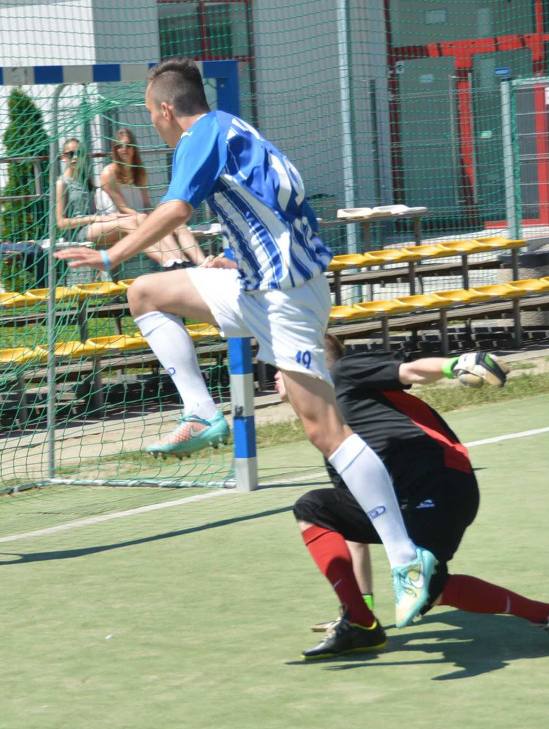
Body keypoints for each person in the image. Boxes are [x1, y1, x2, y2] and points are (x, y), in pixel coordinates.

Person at [56, 56, 434, 628]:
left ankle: (408, 559)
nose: (155, 130)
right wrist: (239, 253)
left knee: (324, 431)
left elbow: (178, 209)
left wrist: (109, 254)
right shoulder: (236, 128)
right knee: (147, 294)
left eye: (151, 117)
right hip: (259, 283)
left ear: (164, 109)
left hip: (285, 295)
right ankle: (202, 412)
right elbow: (275, 203)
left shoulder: (199, 135)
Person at [285, 336, 549, 660]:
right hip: (402, 503)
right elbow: (359, 527)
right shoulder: (332, 435)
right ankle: (360, 625)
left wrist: (454, 365)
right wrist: (362, 606)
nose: (275, 374)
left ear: (306, 363)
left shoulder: (344, 372)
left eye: (279, 366)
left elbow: (411, 371)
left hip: (439, 482)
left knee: (425, 587)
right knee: (316, 509)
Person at [55, 138, 188, 271]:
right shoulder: (62, 183)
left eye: (80, 153)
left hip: (96, 224)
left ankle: (179, 258)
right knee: (129, 224)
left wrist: (108, 217)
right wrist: (94, 218)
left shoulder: (85, 180)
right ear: (63, 157)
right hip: (79, 231)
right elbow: (61, 223)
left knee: (141, 219)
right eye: (71, 154)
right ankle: (168, 262)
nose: (76, 157)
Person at [97, 128, 206, 268]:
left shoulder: (139, 172)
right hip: (120, 221)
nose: (124, 149)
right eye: (119, 146)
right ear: (114, 149)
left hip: (141, 218)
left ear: (134, 148)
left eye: (128, 145)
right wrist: (149, 219)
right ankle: (175, 261)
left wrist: (156, 217)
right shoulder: (108, 173)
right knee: (151, 223)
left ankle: (199, 262)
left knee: (178, 224)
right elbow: (122, 208)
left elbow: (147, 204)